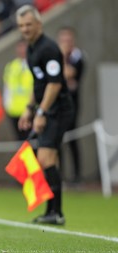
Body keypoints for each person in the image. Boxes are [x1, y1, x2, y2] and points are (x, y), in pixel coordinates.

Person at [16, 5, 74, 225]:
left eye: (29, 24)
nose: (25, 29)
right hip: (47, 109)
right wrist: (30, 108)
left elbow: (55, 84)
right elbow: (39, 83)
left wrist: (41, 112)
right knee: (46, 159)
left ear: (39, 23)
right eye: (22, 26)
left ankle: (56, 213)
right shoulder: (32, 48)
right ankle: (52, 211)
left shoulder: (48, 48)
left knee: (46, 158)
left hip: (58, 109)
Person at [57, 26, 85, 184]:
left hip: (72, 105)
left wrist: (61, 57)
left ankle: (77, 176)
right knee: (58, 141)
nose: (65, 43)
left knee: (73, 140)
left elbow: (69, 73)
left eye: (68, 40)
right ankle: (59, 176)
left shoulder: (78, 57)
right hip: (58, 105)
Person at [2, 39, 33, 140]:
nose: (21, 50)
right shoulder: (11, 66)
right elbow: (7, 88)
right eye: (19, 47)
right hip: (14, 112)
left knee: (34, 142)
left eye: (24, 47)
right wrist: (7, 106)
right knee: (22, 143)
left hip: (30, 110)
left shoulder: (34, 64)